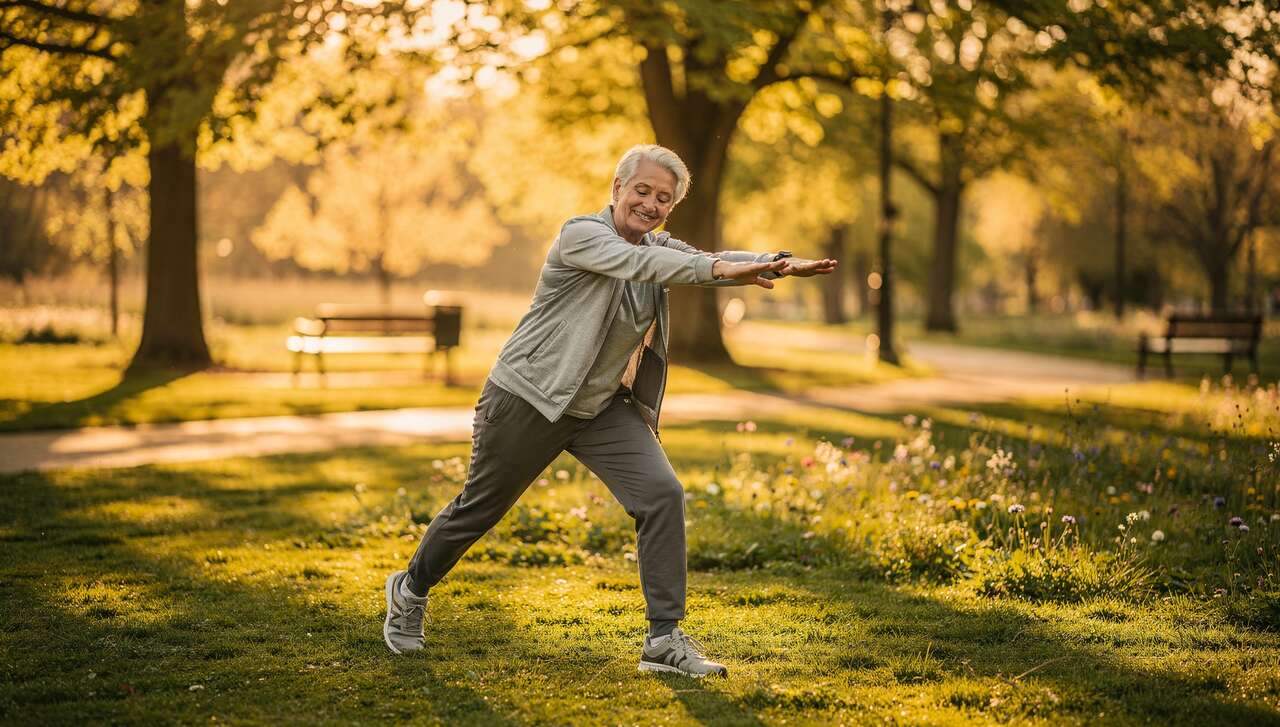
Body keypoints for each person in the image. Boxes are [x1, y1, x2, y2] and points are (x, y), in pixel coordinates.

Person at [383, 144, 838, 677]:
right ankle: (410, 591)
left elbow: (696, 257)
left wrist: (774, 263)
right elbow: (648, 264)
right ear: (617, 189)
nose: (650, 204)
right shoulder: (582, 235)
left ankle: (664, 641)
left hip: (600, 407)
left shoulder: (660, 244)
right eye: (642, 190)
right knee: (479, 508)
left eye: (663, 199)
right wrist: (724, 268)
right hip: (530, 396)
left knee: (661, 493)